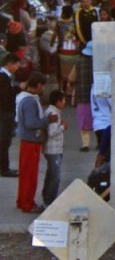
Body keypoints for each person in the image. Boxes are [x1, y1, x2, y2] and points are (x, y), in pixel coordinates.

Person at [16, 72, 55, 213]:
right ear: (38, 85)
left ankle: (23, 200)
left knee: (25, 174)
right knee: (30, 175)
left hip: (27, 142)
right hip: (30, 142)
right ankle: (27, 203)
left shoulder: (26, 99)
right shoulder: (30, 101)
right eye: (43, 85)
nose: (43, 88)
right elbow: (31, 123)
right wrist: (47, 121)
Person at [68, 42, 94, 151]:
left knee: (83, 119)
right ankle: (101, 141)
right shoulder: (99, 62)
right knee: (98, 118)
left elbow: (71, 78)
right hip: (97, 95)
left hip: (82, 94)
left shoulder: (79, 63)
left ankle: (85, 144)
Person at [42, 89, 67, 206]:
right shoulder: (54, 113)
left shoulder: (51, 111)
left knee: (50, 174)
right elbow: (52, 132)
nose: (64, 103)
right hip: (53, 149)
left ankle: (47, 197)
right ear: (58, 102)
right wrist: (62, 127)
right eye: (63, 100)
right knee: (55, 177)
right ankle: (49, 200)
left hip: (53, 148)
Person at [0, 53, 21, 177]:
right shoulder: (3, 78)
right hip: (5, 113)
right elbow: (6, 96)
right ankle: (4, 168)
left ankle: (3, 166)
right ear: (10, 64)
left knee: (5, 141)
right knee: (5, 141)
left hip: (6, 112)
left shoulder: (7, 77)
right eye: (16, 65)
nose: (17, 67)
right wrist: (18, 89)